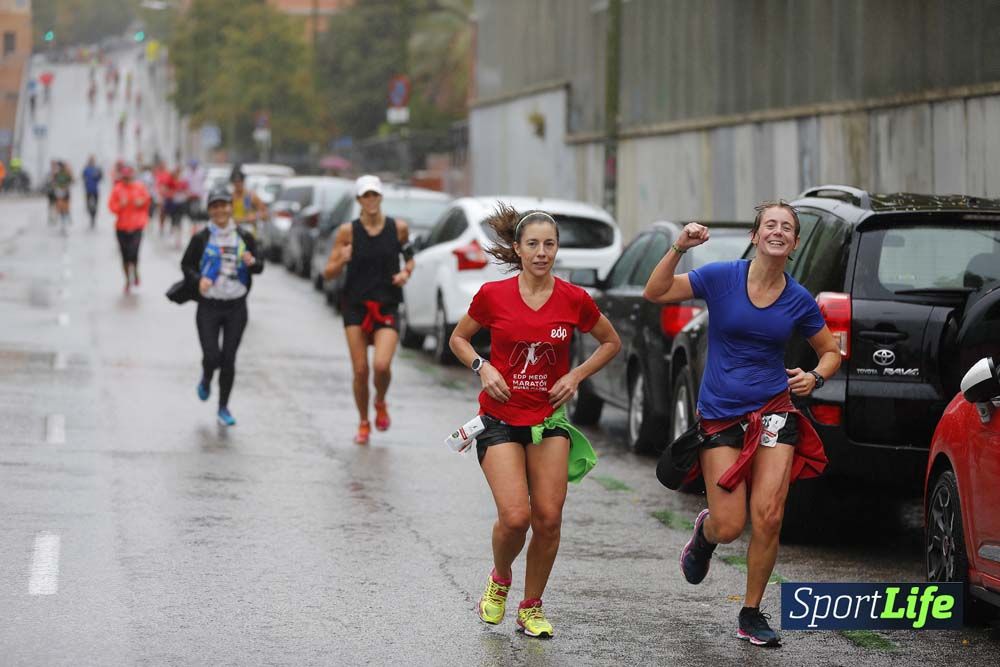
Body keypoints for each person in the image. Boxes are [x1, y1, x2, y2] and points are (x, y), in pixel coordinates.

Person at [642, 201, 842, 648]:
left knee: (769, 516)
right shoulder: (721, 277)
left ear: (794, 243)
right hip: (722, 415)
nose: (778, 231)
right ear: (756, 236)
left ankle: (751, 612)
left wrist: (815, 376)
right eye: (770, 224)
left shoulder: (799, 299)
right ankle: (705, 534)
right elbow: (656, 291)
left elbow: (830, 351)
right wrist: (679, 247)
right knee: (731, 525)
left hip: (774, 411)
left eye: (786, 227)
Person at [448, 205, 621, 639]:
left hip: (548, 421)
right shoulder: (493, 295)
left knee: (547, 518)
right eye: (533, 245)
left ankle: (531, 607)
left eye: (549, 244)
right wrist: (483, 367)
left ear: (557, 249)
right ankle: (501, 578)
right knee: (515, 518)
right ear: (518, 249)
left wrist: (575, 376)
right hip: (500, 418)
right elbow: (459, 338)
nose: (542, 252)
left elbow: (610, 342)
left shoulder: (574, 299)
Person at [322, 175, 414, 445]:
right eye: (366, 196)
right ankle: (363, 421)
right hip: (356, 306)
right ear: (359, 200)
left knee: (381, 365)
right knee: (361, 370)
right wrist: (342, 259)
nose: (371, 200)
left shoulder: (398, 228)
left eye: (375, 194)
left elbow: (410, 258)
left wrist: (405, 273)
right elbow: (328, 273)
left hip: (387, 303)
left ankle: (380, 401)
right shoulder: (347, 232)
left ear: (381, 197)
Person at [180, 187, 264, 427]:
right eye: (214, 206)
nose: (220, 211)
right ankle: (206, 377)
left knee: (228, 359)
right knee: (212, 356)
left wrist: (252, 262)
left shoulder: (244, 237)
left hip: (236, 306)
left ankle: (223, 407)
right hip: (209, 305)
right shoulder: (201, 238)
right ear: (209, 210)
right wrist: (198, 280)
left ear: (230, 207)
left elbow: (260, 266)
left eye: (223, 205)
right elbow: (186, 265)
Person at [108, 165, 151, 294]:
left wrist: (141, 202)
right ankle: (127, 280)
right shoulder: (117, 189)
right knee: (125, 256)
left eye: (129, 178)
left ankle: (136, 271)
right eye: (125, 178)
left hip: (137, 226)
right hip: (122, 227)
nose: (127, 180)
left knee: (134, 253)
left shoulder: (139, 187)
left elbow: (147, 201)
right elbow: (111, 207)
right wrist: (120, 205)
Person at [230, 169, 267, 238]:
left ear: (243, 182)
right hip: (233, 232)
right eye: (235, 182)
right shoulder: (230, 197)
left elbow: (265, 213)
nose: (237, 184)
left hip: (249, 232)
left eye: (239, 181)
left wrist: (255, 216)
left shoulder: (250, 196)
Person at [52, 162, 73, 234]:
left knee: (65, 208)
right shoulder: (56, 174)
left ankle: (66, 218)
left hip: (65, 193)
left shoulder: (66, 174)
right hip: (59, 192)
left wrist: (66, 186)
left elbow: (71, 180)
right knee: (60, 208)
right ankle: (62, 220)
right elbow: (53, 182)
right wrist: (56, 187)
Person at [82, 156, 103, 229]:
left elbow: (100, 177)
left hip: (95, 190)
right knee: (88, 205)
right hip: (88, 190)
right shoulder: (86, 169)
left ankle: (93, 218)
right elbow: (83, 177)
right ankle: (91, 215)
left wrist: (98, 175)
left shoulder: (97, 169)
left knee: (95, 206)